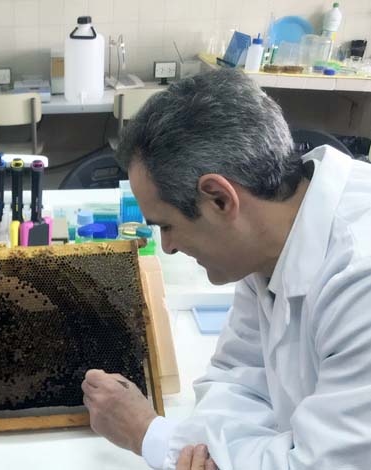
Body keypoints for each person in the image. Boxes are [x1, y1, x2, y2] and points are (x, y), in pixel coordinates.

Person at [82, 68, 371, 469]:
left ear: (219, 199)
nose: (166, 246)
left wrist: (148, 434)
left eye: (167, 225)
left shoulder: (360, 279)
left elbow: (323, 464)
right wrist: (213, 456)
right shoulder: (266, 242)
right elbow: (235, 381)